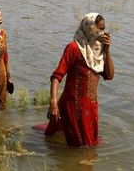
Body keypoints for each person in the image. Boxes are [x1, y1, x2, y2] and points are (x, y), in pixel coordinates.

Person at [46, 13, 114, 147]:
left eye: (104, 29)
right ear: (89, 28)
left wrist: (107, 51)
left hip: (91, 106)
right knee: (80, 149)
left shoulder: (98, 51)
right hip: (74, 105)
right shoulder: (74, 48)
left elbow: (109, 76)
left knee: (90, 145)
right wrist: (53, 103)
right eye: (99, 29)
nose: (103, 33)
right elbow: (56, 76)